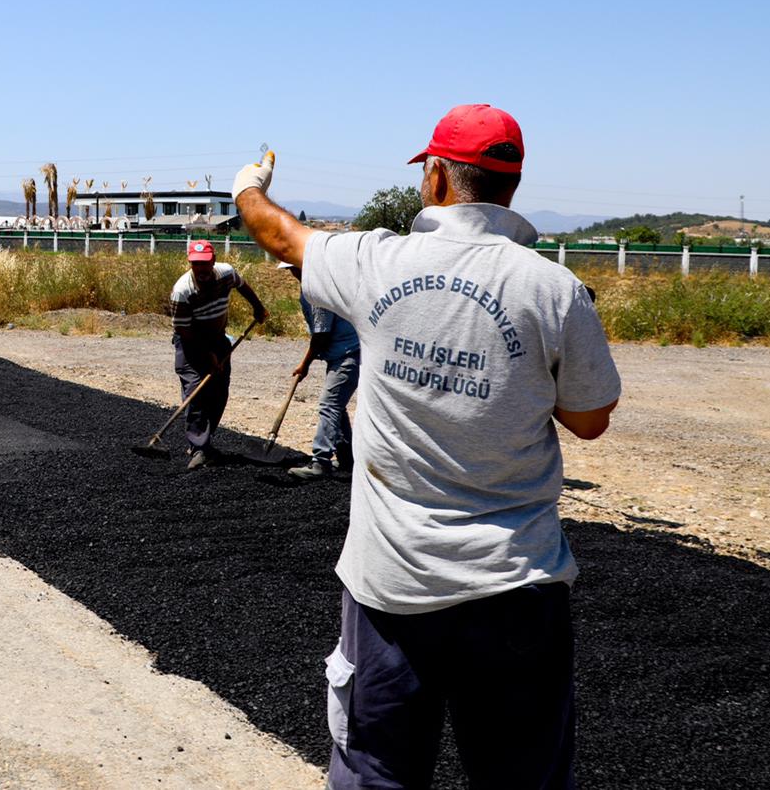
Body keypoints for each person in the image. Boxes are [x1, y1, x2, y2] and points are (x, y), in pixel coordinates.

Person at [232, 105, 621, 789]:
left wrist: (248, 184)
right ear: (513, 184)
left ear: (437, 176)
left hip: (393, 592)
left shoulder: (378, 261)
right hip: (516, 590)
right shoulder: (555, 290)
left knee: (378, 772)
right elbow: (590, 420)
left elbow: (281, 236)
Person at [169, 240, 268, 470]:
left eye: (205, 264)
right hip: (190, 343)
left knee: (220, 390)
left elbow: (242, 285)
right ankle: (200, 448)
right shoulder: (182, 291)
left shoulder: (226, 274)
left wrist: (258, 307)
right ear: (190, 263)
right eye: (196, 264)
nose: (201, 269)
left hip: (218, 339)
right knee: (196, 391)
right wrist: (208, 355)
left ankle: (204, 438)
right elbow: (184, 331)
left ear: (213, 261)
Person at [278, 261, 360, 480]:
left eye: (294, 269)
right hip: (342, 353)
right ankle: (347, 460)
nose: (292, 273)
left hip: (348, 354)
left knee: (329, 404)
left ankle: (321, 462)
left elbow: (321, 336)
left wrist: (305, 364)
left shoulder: (317, 293)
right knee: (337, 405)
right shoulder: (317, 287)